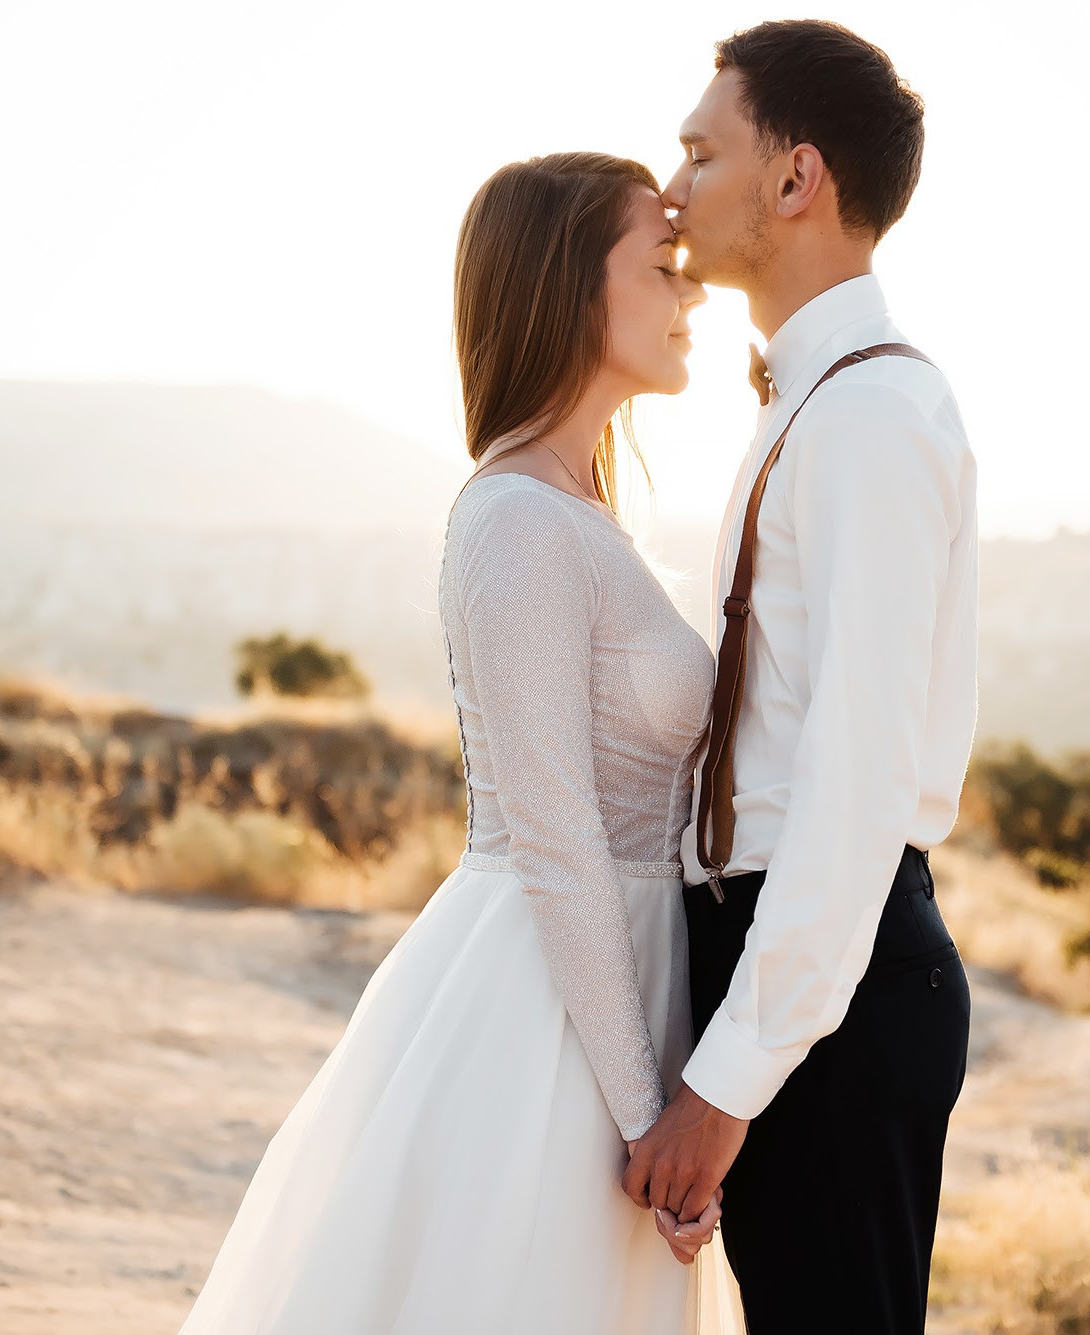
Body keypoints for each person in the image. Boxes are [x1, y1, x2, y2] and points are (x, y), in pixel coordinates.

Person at [177, 151, 745, 1335]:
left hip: (628, 985)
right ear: (569, 289)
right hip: (544, 1009)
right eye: (661, 267)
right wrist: (646, 1118)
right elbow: (552, 833)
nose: (689, 296)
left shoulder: (584, 517)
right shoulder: (515, 524)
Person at [623, 21, 980, 1335]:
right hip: (787, 959)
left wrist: (726, 1081)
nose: (672, 188)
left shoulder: (875, 419)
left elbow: (852, 788)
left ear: (795, 180)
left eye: (700, 151)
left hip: (834, 975)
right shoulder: (814, 402)